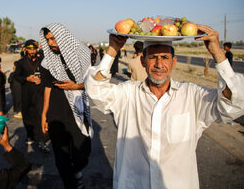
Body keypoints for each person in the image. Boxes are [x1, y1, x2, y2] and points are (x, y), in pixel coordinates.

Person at [85, 25, 244, 189]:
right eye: (153, 57)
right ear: (143, 61)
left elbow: (235, 102)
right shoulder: (128, 94)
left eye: (165, 57)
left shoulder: (192, 96)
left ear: (174, 62)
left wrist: (217, 52)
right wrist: (112, 49)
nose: (159, 64)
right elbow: (96, 90)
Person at [40, 23, 93, 189]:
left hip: (77, 111)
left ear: (62, 36)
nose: (50, 43)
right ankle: (71, 184)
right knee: (61, 158)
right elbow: (47, 88)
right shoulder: (47, 61)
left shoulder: (83, 54)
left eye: (53, 38)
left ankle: (75, 171)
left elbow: (93, 84)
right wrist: (44, 114)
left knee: (82, 154)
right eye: (48, 39)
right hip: (56, 114)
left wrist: (76, 86)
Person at [14, 39, 49, 151]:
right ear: (26, 49)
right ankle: (30, 135)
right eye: (30, 49)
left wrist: (41, 79)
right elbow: (16, 77)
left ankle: (42, 140)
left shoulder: (42, 61)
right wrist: (27, 78)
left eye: (34, 48)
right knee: (28, 116)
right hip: (27, 94)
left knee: (40, 116)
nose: (32, 51)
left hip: (39, 94)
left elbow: (48, 74)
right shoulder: (21, 63)